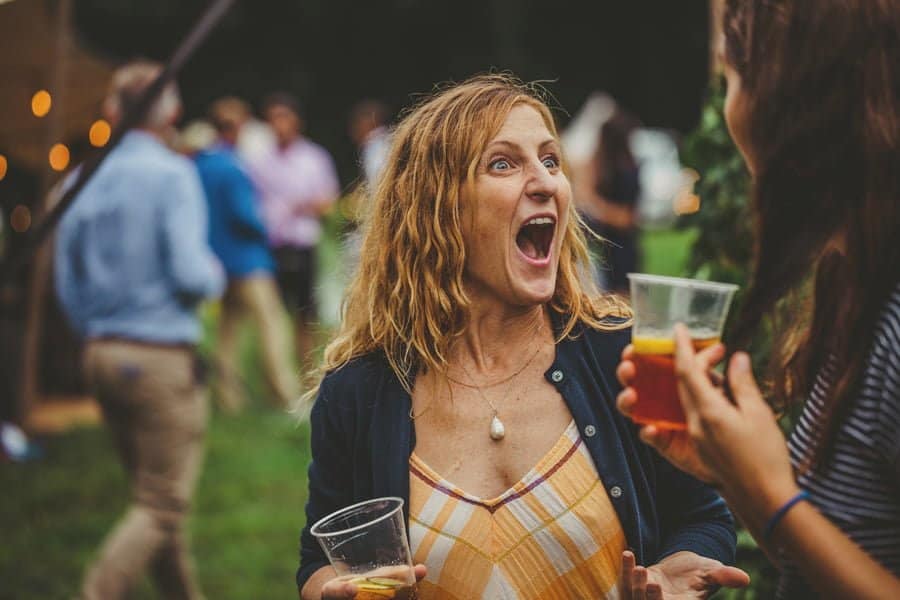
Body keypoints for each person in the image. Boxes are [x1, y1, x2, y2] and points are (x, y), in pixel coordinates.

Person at [297, 74, 749, 600]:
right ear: (436, 209)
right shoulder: (359, 391)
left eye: (551, 160)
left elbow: (700, 514)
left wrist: (676, 569)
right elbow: (320, 559)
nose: (546, 183)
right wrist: (330, 591)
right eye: (503, 164)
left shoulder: (620, 357)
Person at [616, 1, 900, 598]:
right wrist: (731, 475)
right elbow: (838, 555)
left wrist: (774, 497)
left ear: (790, 101)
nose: (729, 110)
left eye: (733, 79)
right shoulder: (854, 285)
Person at [54, 61, 224, 599]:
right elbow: (191, 274)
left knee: (153, 498)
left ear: (111, 111)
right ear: (172, 112)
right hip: (158, 358)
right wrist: (216, 274)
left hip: (100, 353)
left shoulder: (79, 179)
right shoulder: (172, 174)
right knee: (161, 503)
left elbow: (65, 281)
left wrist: (94, 331)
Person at [197, 97, 300, 411]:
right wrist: (268, 228)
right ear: (236, 127)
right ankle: (285, 394)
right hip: (248, 261)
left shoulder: (200, 164)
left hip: (218, 260)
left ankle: (229, 398)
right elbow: (245, 216)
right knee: (273, 325)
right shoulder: (233, 166)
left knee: (227, 332)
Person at [249, 92, 340, 374]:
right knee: (274, 316)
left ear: (296, 121)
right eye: (273, 119)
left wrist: (305, 205)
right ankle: (278, 377)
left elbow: (329, 202)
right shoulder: (260, 161)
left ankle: (309, 374)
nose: (278, 124)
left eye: (283, 117)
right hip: (272, 246)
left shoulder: (313, 158)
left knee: (306, 316)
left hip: (303, 245)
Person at [581, 110, 641, 294]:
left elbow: (625, 219)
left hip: (619, 245)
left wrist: (598, 207)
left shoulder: (623, 172)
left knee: (620, 296)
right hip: (613, 244)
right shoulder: (622, 166)